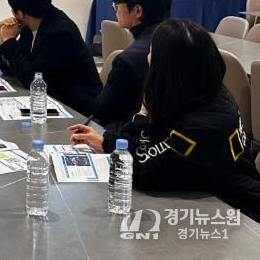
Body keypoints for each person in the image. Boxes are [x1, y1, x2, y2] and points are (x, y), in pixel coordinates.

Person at [70, 19, 260, 222]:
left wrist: (142, 116)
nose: (148, 56)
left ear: (169, 66)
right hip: (212, 203)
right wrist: (108, 141)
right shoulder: (201, 92)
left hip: (239, 215)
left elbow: (145, 172)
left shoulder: (203, 126)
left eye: (153, 52)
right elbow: (151, 147)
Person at [0, 0, 102, 116]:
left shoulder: (60, 33)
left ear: (20, 13)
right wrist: (3, 40)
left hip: (77, 110)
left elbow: (32, 79)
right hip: (51, 100)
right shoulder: (31, 24)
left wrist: (9, 42)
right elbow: (13, 69)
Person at [92, 0, 174, 130]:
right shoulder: (184, 41)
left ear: (137, 11)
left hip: (136, 134)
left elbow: (101, 110)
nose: (115, 10)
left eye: (117, 5)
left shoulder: (130, 59)